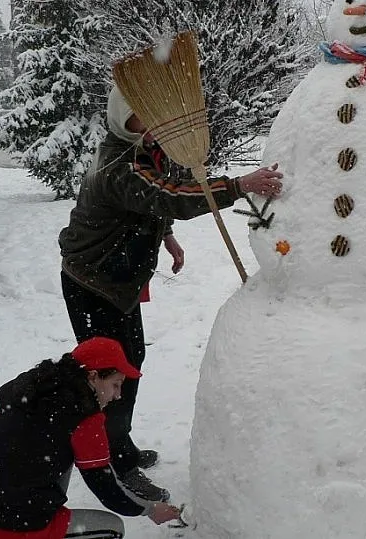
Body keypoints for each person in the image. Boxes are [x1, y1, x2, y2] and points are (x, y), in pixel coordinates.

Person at [58, 87, 283, 501]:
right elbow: (168, 196)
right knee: (108, 374)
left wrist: (167, 237)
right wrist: (238, 185)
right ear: (123, 119)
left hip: (115, 278)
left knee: (128, 361)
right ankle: (114, 461)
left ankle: (116, 443)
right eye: (141, 115)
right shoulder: (120, 164)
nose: (152, 122)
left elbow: (155, 200)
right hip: (93, 282)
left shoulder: (145, 149)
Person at [0, 337, 181, 539]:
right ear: (93, 376)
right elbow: (107, 488)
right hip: (9, 530)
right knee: (112, 529)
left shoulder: (16, 389)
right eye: (115, 385)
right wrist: (150, 509)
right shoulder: (85, 418)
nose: (118, 395)